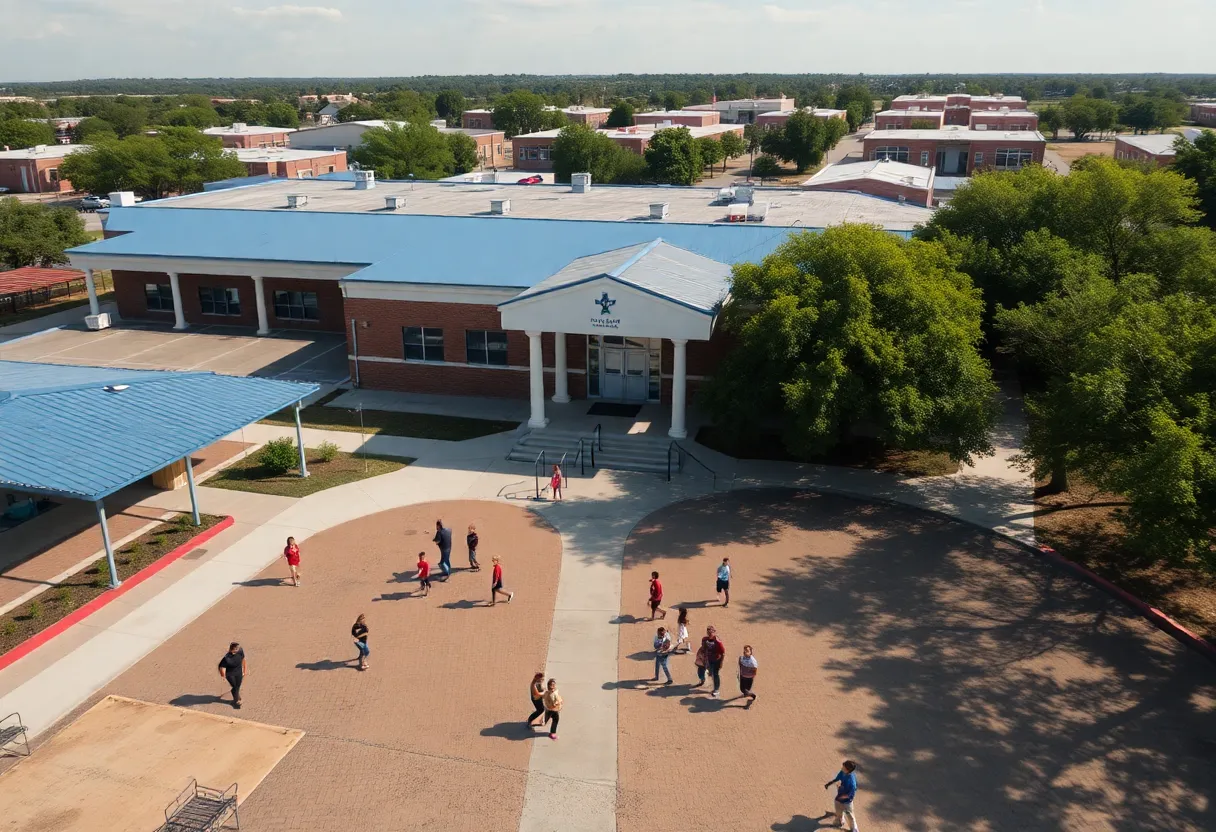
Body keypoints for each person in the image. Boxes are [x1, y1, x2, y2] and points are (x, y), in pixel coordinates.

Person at [824, 760, 860, 831]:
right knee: (838, 811)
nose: (841, 768)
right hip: (839, 798)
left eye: (843, 767)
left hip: (847, 802)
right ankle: (839, 822)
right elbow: (837, 779)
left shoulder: (852, 782)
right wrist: (829, 784)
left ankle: (854, 829)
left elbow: (850, 795)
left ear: (848, 770)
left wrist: (841, 797)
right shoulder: (842, 772)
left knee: (850, 816)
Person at [693, 625, 726, 698]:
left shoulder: (718, 642)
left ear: (714, 631)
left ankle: (716, 690)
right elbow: (703, 648)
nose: (710, 632)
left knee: (715, 674)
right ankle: (703, 679)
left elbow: (723, 653)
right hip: (709, 659)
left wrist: (721, 663)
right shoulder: (704, 639)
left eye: (711, 631)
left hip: (716, 660)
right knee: (709, 672)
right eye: (708, 631)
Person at [217, 642, 246, 709]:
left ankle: (235, 694)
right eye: (236, 649)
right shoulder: (226, 658)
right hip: (230, 674)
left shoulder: (240, 651)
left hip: (238, 672)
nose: (238, 649)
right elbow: (222, 667)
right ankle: (236, 702)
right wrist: (223, 676)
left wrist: (244, 670)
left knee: (237, 686)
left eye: (238, 648)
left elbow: (243, 660)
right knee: (235, 686)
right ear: (232, 649)